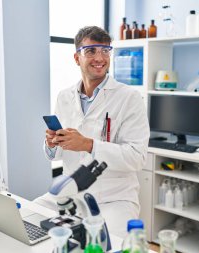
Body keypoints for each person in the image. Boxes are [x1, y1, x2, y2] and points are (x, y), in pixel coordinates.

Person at [35, 26, 149, 238]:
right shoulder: (64, 96)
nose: (100, 57)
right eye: (91, 51)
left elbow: (137, 157)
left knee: (106, 244)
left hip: (114, 198)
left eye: (105, 50)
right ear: (77, 57)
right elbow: (59, 154)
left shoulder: (129, 98)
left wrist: (89, 144)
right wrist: (52, 144)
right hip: (70, 194)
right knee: (28, 215)